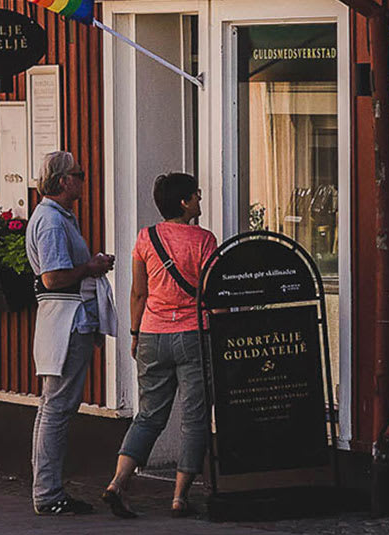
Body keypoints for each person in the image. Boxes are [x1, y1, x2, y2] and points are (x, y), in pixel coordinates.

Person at [102, 172, 217, 518]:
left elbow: (139, 292)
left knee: (149, 415)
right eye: (195, 195)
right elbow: (212, 292)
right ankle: (180, 497)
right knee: (195, 418)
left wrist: (135, 334)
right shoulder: (205, 241)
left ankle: (118, 483)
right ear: (183, 202)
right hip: (194, 334)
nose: (199, 199)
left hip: (152, 333)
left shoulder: (146, 238)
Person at [27, 149, 115, 516]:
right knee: (58, 408)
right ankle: (47, 493)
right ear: (64, 181)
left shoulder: (57, 216)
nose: (83, 179)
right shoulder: (51, 221)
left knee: (52, 406)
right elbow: (52, 276)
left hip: (64, 319)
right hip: (66, 320)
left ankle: (46, 488)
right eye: (78, 174)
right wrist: (92, 266)